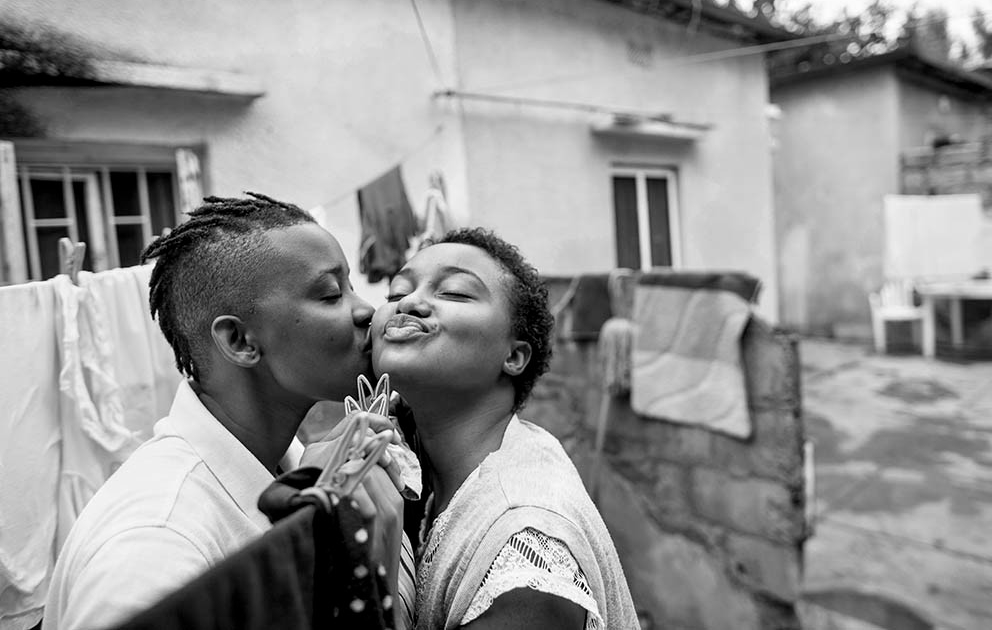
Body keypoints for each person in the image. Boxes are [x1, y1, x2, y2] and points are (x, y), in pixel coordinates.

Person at [44, 193, 405, 630]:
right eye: (331, 294)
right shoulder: (158, 539)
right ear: (240, 341)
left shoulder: (291, 459)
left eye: (349, 286)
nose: (367, 310)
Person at [370, 228, 639, 629]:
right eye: (395, 293)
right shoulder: (411, 458)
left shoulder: (523, 558)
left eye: (455, 293)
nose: (408, 302)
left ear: (513, 355)